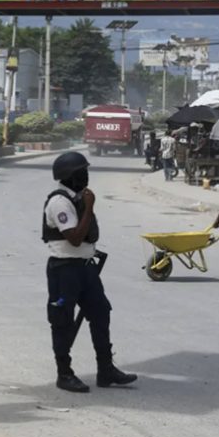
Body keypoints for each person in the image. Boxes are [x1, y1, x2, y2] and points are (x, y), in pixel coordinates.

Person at [42, 152, 137, 393]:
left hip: (85, 269)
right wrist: (89, 207)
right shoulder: (59, 202)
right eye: (81, 172)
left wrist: (86, 205)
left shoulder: (77, 198)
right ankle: (64, 374)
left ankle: (105, 369)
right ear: (70, 176)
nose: (85, 176)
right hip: (64, 270)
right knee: (62, 320)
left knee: (101, 313)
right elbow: (74, 238)